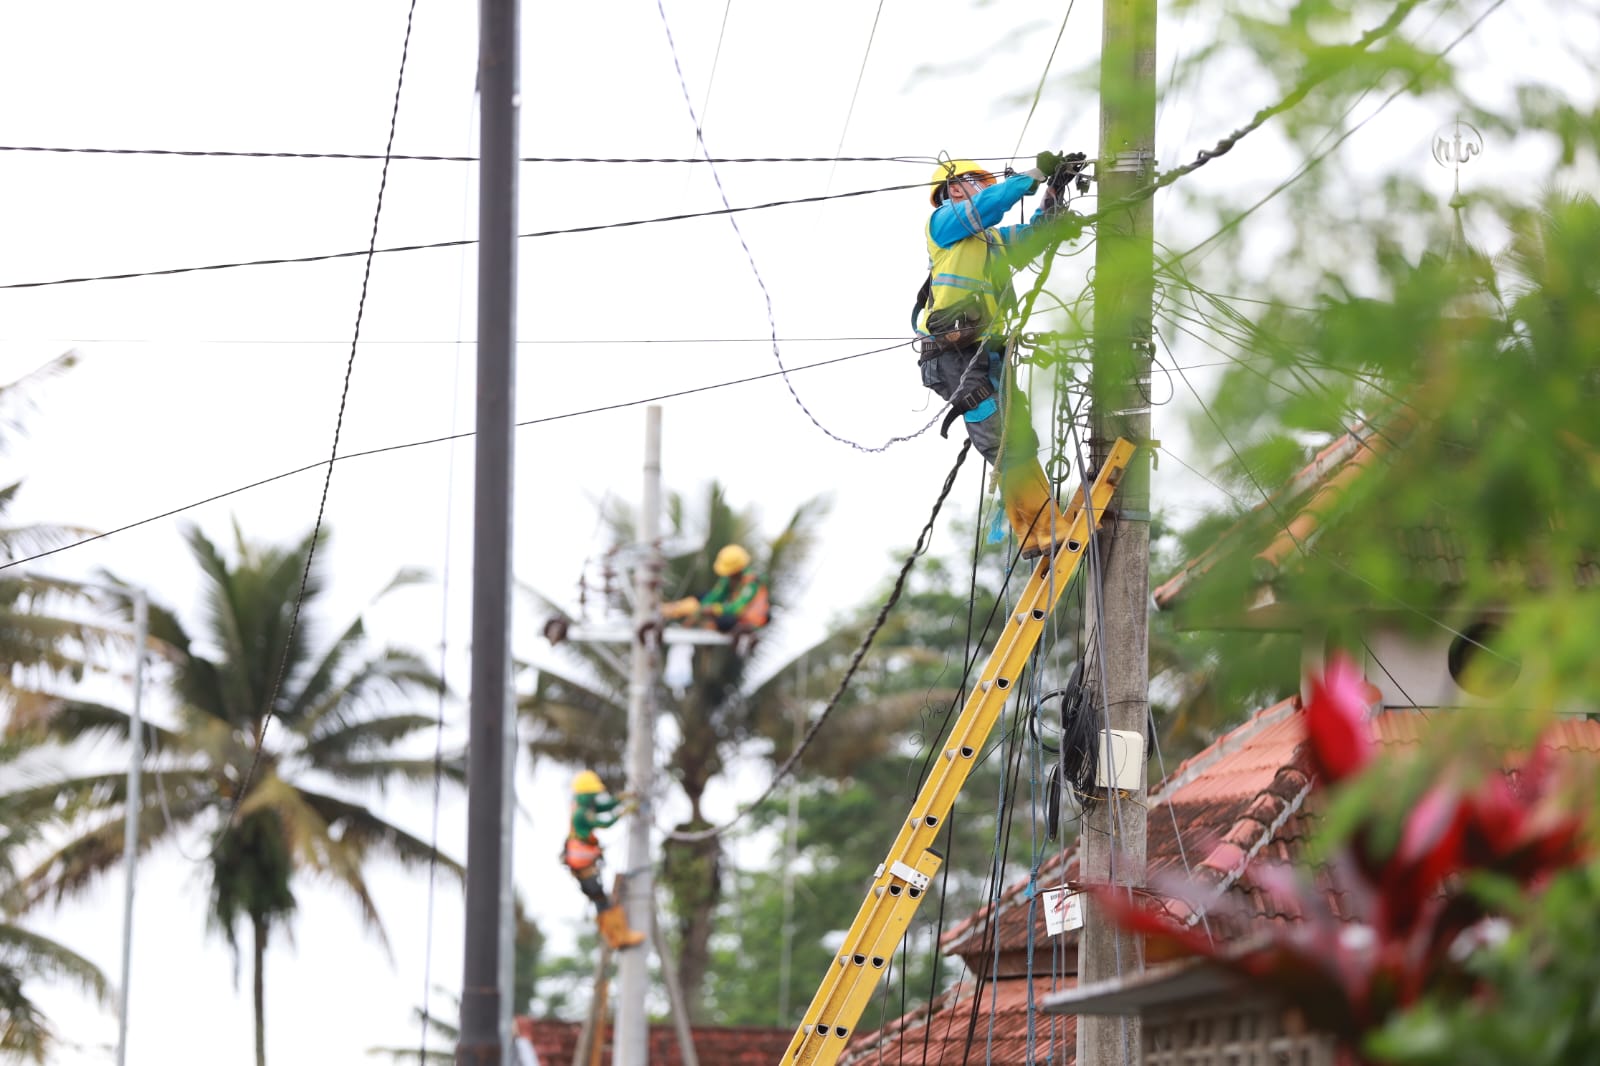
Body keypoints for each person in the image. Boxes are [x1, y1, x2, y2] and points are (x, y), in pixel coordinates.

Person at [915, 151, 1084, 559]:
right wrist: (1032, 175)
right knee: (1001, 438)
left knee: (1017, 437)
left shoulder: (990, 241)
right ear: (955, 189)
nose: (989, 190)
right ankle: (1048, 526)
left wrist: (1054, 191)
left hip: (985, 352)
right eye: (981, 184)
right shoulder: (942, 225)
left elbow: (1032, 236)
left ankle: (1030, 530)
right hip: (951, 357)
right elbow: (985, 209)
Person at [561, 770, 646, 950]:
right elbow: (605, 823)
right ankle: (618, 937)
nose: (596, 797)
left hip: (585, 866)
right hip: (583, 869)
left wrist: (623, 797)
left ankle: (618, 936)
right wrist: (625, 811)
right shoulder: (581, 813)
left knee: (602, 900)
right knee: (602, 902)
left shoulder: (582, 807)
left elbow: (605, 806)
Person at [661, 543, 770, 635]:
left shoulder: (752, 583)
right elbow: (714, 596)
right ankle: (671, 610)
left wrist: (713, 609)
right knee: (702, 595)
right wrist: (698, 612)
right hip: (731, 614)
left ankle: (707, 624)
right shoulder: (729, 579)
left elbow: (737, 608)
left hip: (748, 622)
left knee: (727, 620)